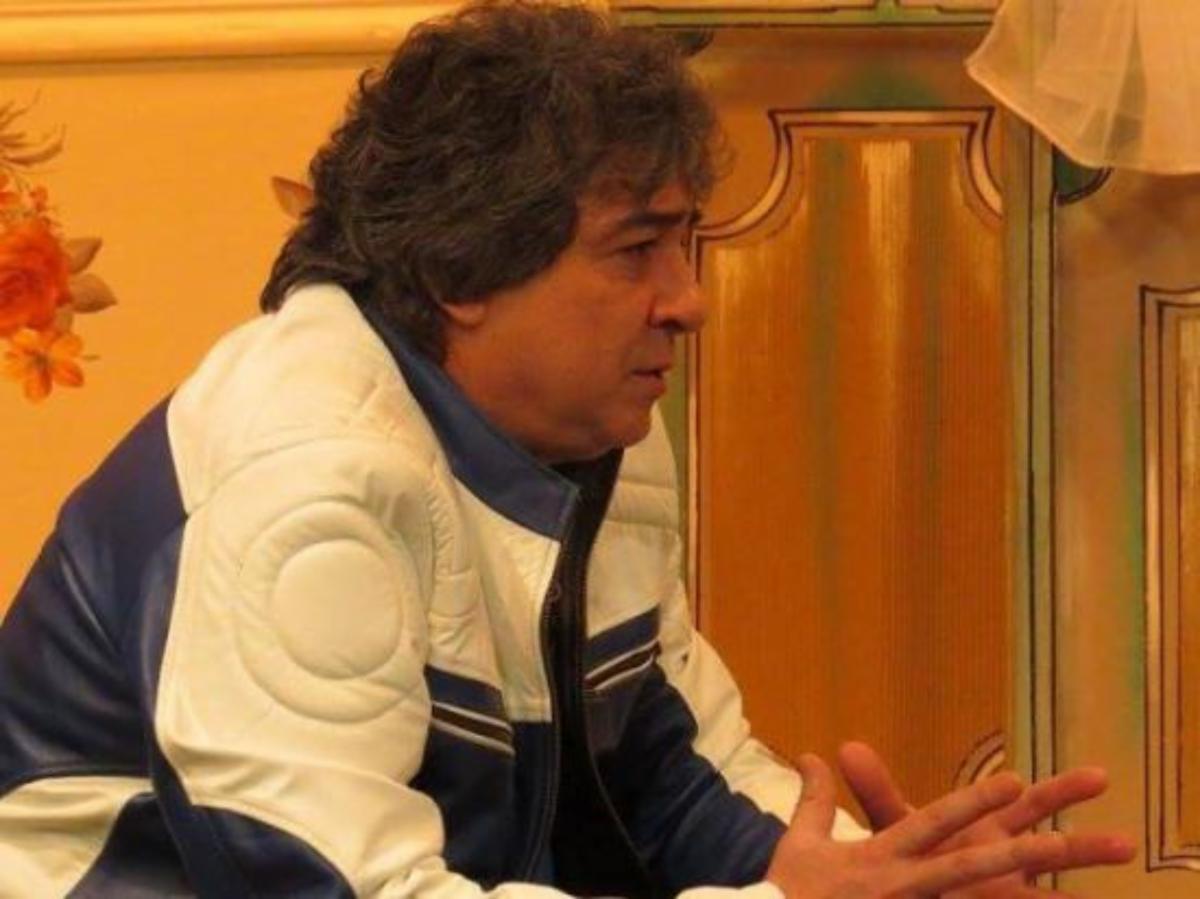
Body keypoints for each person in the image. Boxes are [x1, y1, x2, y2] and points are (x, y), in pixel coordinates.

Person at [0, 2, 1133, 896]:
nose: (688, 300)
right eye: (636, 250)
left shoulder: (595, 433)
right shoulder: (304, 487)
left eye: (684, 244)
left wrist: (867, 869)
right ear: (459, 270)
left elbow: (666, 775)